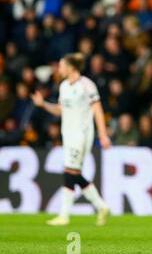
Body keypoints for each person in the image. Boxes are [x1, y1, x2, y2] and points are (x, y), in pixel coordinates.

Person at [31, 53, 111, 226]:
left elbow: (97, 110)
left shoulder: (86, 85)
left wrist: (103, 134)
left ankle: (64, 215)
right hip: (68, 135)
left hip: (81, 134)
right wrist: (43, 104)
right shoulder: (64, 86)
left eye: (61, 65)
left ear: (70, 67)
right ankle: (101, 206)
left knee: (69, 172)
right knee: (74, 173)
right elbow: (60, 110)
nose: (59, 69)